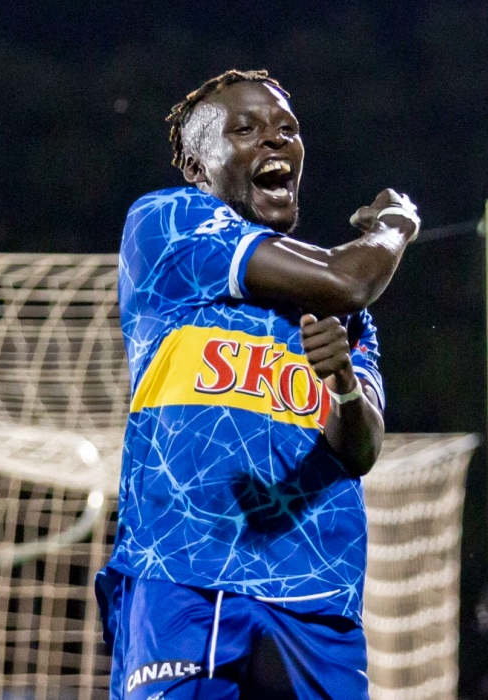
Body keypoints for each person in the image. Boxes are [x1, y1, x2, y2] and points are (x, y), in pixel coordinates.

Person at [96, 70, 419, 699]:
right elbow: (350, 275)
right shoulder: (167, 223)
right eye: (246, 129)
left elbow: (361, 450)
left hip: (315, 594)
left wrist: (345, 388)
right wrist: (395, 224)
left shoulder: (344, 317)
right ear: (197, 161)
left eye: (288, 130)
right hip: (187, 572)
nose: (275, 141)